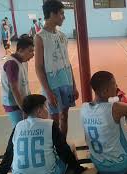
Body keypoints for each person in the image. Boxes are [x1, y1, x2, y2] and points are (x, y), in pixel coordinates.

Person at [0, 94, 86, 174]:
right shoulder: (50, 124)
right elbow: (63, 151)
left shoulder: (18, 126)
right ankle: (76, 172)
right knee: (70, 146)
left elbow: (9, 153)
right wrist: (78, 168)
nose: (48, 110)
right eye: (46, 107)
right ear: (39, 111)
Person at [81, 71, 127, 174]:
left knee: (125, 128)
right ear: (105, 91)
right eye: (114, 84)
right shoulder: (115, 108)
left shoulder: (84, 108)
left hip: (99, 166)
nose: (117, 86)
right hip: (121, 165)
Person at [35, 0, 79, 137]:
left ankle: (63, 145)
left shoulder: (62, 36)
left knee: (64, 116)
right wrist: (47, 91)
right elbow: (39, 67)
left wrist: (74, 85)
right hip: (52, 86)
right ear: (52, 14)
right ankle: (55, 147)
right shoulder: (40, 37)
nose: (63, 17)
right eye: (61, 14)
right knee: (53, 120)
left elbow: (67, 63)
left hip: (66, 83)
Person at [1, 35, 34, 128]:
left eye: (33, 51)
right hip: (13, 103)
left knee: (26, 127)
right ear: (20, 50)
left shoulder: (24, 62)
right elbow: (14, 88)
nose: (33, 54)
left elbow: (24, 84)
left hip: (22, 101)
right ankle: (13, 142)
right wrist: (23, 108)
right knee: (19, 129)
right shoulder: (12, 63)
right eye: (30, 51)